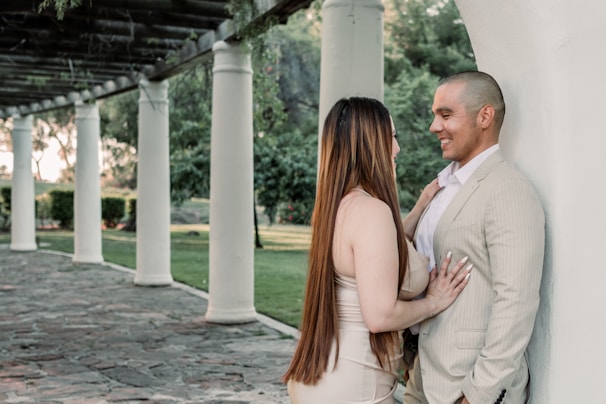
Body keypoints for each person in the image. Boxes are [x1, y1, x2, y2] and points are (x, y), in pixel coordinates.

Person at [281, 96, 472, 403]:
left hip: (324, 375)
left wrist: (422, 204)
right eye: (392, 137)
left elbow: (383, 252)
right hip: (353, 384)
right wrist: (434, 302)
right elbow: (381, 316)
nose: (397, 148)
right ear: (370, 143)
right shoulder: (371, 211)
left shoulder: (339, 205)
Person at [403, 71, 546, 404]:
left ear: (485, 116)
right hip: (423, 377)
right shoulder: (442, 186)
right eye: (435, 115)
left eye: (446, 115)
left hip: (465, 388)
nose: (434, 127)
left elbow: (516, 301)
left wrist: (480, 393)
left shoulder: (507, 188)